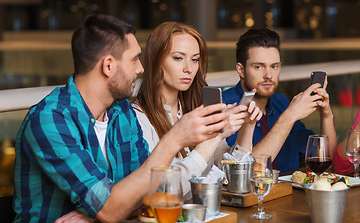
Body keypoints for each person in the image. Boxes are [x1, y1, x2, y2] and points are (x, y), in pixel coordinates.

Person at [13, 14, 230, 222]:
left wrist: (97, 215)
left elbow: (153, 190)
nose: (141, 68)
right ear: (108, 66)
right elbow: (111, 209)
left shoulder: (121, 111)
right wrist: (174, 139)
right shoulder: (50, 120)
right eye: (134, 59)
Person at [132, 21, 262, 198]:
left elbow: (229, 176)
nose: (189, 69)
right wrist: (217, 135)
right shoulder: (138, 118)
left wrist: (248, 125)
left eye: (195, 59)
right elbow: (164, 191)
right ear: (156, 60)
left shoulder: (196, 110)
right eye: (178, 58)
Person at [222, 28, 338, 173]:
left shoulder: (280, 102)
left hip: (290, 194)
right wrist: (289, 116)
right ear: (241, 70)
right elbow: (244, 173)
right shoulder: (225, 107)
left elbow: (326, 158)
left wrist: (326, 115)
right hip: (255, 195)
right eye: (258, 67)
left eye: (274, 66)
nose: (269, 75)